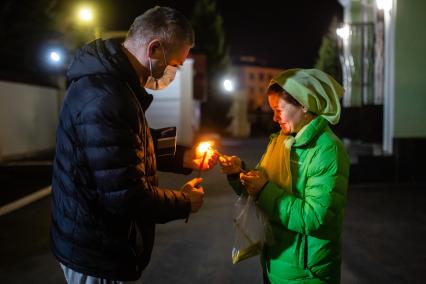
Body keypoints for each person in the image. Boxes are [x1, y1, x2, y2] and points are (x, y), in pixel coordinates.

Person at [50, 6, 217, 283]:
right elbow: (125, 195)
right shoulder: (106, 96)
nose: (171, 72)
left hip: (96, 242)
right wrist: (183, 202)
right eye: (174, 64)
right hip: (97, 251)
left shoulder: (113, 85)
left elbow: (128, 142)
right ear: (154, 50)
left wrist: (183, 157)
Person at [219, 69, 350, 283]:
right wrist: (239, 173)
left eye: (279, 109)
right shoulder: (282, 140)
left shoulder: (328, 151)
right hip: (274, 264)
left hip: (306, 274)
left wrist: (264, 189)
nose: (274, 117)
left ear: (304, 104)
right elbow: (261, 190)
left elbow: (314, 218)